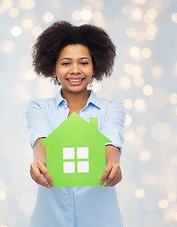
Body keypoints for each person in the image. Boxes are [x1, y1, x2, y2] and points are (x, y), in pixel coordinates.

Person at [25, 21, 125, 227]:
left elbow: (112, 142)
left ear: (95, 67)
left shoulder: (112, 107)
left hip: (101, 220)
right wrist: (39, 164)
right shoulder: (39, 107)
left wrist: (113, 165)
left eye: (83, 62)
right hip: (50, 219)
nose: (75, 70)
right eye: (65, 63)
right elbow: (40, 141)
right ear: (53, 69)